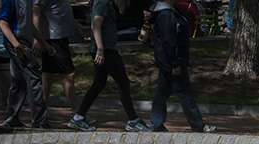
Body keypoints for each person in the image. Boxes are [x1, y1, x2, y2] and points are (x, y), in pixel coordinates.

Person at [69, 0, 150, 131]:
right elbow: (96, 25)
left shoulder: (110, 3)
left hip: (107, 49)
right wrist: (100, 49)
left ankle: (78, 117)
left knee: (99, 83)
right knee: (123, 82)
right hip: (105, 51)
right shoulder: (103, 2)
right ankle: (133, 120)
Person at [149, 0, 214, 132]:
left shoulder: (171, 12)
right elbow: (169, 41)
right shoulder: (166, 15)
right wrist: (174, 63)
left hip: (168, 62)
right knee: (184, 93)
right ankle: (197, 124)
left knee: (162, 93)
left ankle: (156, 123)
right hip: (172, 62)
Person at [0, 0, 48, 128]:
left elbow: (29, 24)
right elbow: (2, 23)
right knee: (34, 79)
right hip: (17, 43)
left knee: (19, 82)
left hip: (24, 42)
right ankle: (40, 121)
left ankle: (11, 118)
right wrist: (16, 45)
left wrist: (43, 43)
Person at [32, 0, 78, 113]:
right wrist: (37, 39)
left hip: (59, 36)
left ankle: (41, 111)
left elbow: (62, 11)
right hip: (54, 38)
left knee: (48, 74)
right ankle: (77, 113)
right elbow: (36, 12)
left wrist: (78, 27)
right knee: (68, 74)